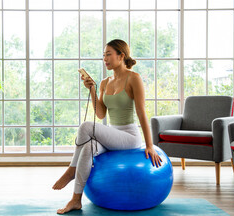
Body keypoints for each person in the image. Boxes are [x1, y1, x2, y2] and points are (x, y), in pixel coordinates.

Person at [52, 39, 163, 214]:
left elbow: (142, 113)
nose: (105, 58)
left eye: (108, 54)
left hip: (129, 136)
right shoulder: (105, 82)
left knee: (86, 126)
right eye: (103, 55)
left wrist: (149, 145)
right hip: (113, 134)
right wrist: (92, 90)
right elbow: (102, 114)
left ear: (121, 56)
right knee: (88, 147)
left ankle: (71, 170)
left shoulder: (134, 78)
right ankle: (76, 200)